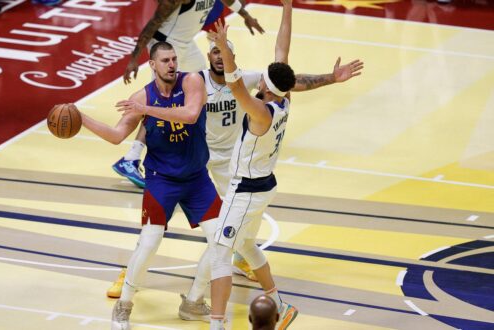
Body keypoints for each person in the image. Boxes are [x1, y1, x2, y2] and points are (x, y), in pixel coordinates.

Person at [107, 35, 364, 308]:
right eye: (215, 51)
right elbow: (159, 113)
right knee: (160, 231)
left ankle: (212, 294)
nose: (219, 56)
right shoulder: (196, 82)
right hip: (199, 158)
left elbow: (289, 78)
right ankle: (137, 274)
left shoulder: (243, 82)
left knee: (228, 235)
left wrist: (330, 78)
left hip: (231, 164)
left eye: (224, 53)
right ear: (208, 56)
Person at [80, 41, 222, 330]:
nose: (172, 64)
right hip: (161, 180)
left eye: (174, 59)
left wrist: (147, 109)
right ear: (153, 65)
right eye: (165, 60)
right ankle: (124, 306)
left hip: (196, 178)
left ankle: (193, 302)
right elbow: (117, 135)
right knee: (149, 244)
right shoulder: (142, 96)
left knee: (222, 242)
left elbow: (191, 114)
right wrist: (81, 118)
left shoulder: (192, 81)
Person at [206, 0, 301, 328]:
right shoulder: (284, 98)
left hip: (245, 191)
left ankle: (217, 324)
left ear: (265, 87)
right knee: (245, 244)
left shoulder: (261, 112)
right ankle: (279, 304)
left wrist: (222, 48)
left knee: (220, 252)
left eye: (262, 80)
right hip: (263, 186)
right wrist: (288, 8)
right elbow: (282, 48)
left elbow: (233, 84)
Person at [112, 0, 264, 188]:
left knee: (202, 84)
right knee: (162, 102)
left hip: (185, 45)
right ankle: (131, 158)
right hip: (166, 45)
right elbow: (152, 23)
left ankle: (195, 136)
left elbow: (229, 1)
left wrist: (247, 16)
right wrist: (134, 59)